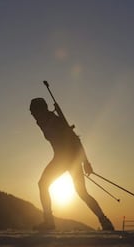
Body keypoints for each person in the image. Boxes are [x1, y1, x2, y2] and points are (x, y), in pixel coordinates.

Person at [30, 97, 114, 231]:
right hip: (66, 159)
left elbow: (76, 140)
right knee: (82, 192)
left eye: (33, 111)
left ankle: (49, 222)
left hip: (66, 159)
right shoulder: (44, 121)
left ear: (41, 110)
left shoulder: (55, 121)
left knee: (44, 184)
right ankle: (104, 221)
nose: (32, 115)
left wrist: (86, 162)